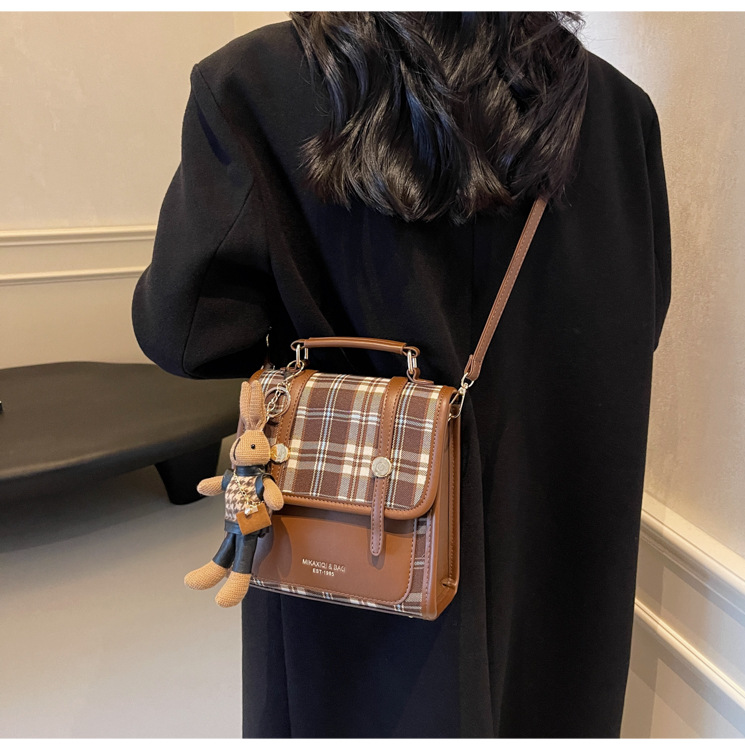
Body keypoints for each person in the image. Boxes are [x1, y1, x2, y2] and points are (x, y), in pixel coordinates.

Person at [131, 12, 671, 738]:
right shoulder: (620, 110)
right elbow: (639, 321)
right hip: (557, 538)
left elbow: (187, 335)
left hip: (351, 536)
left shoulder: (255, 81)